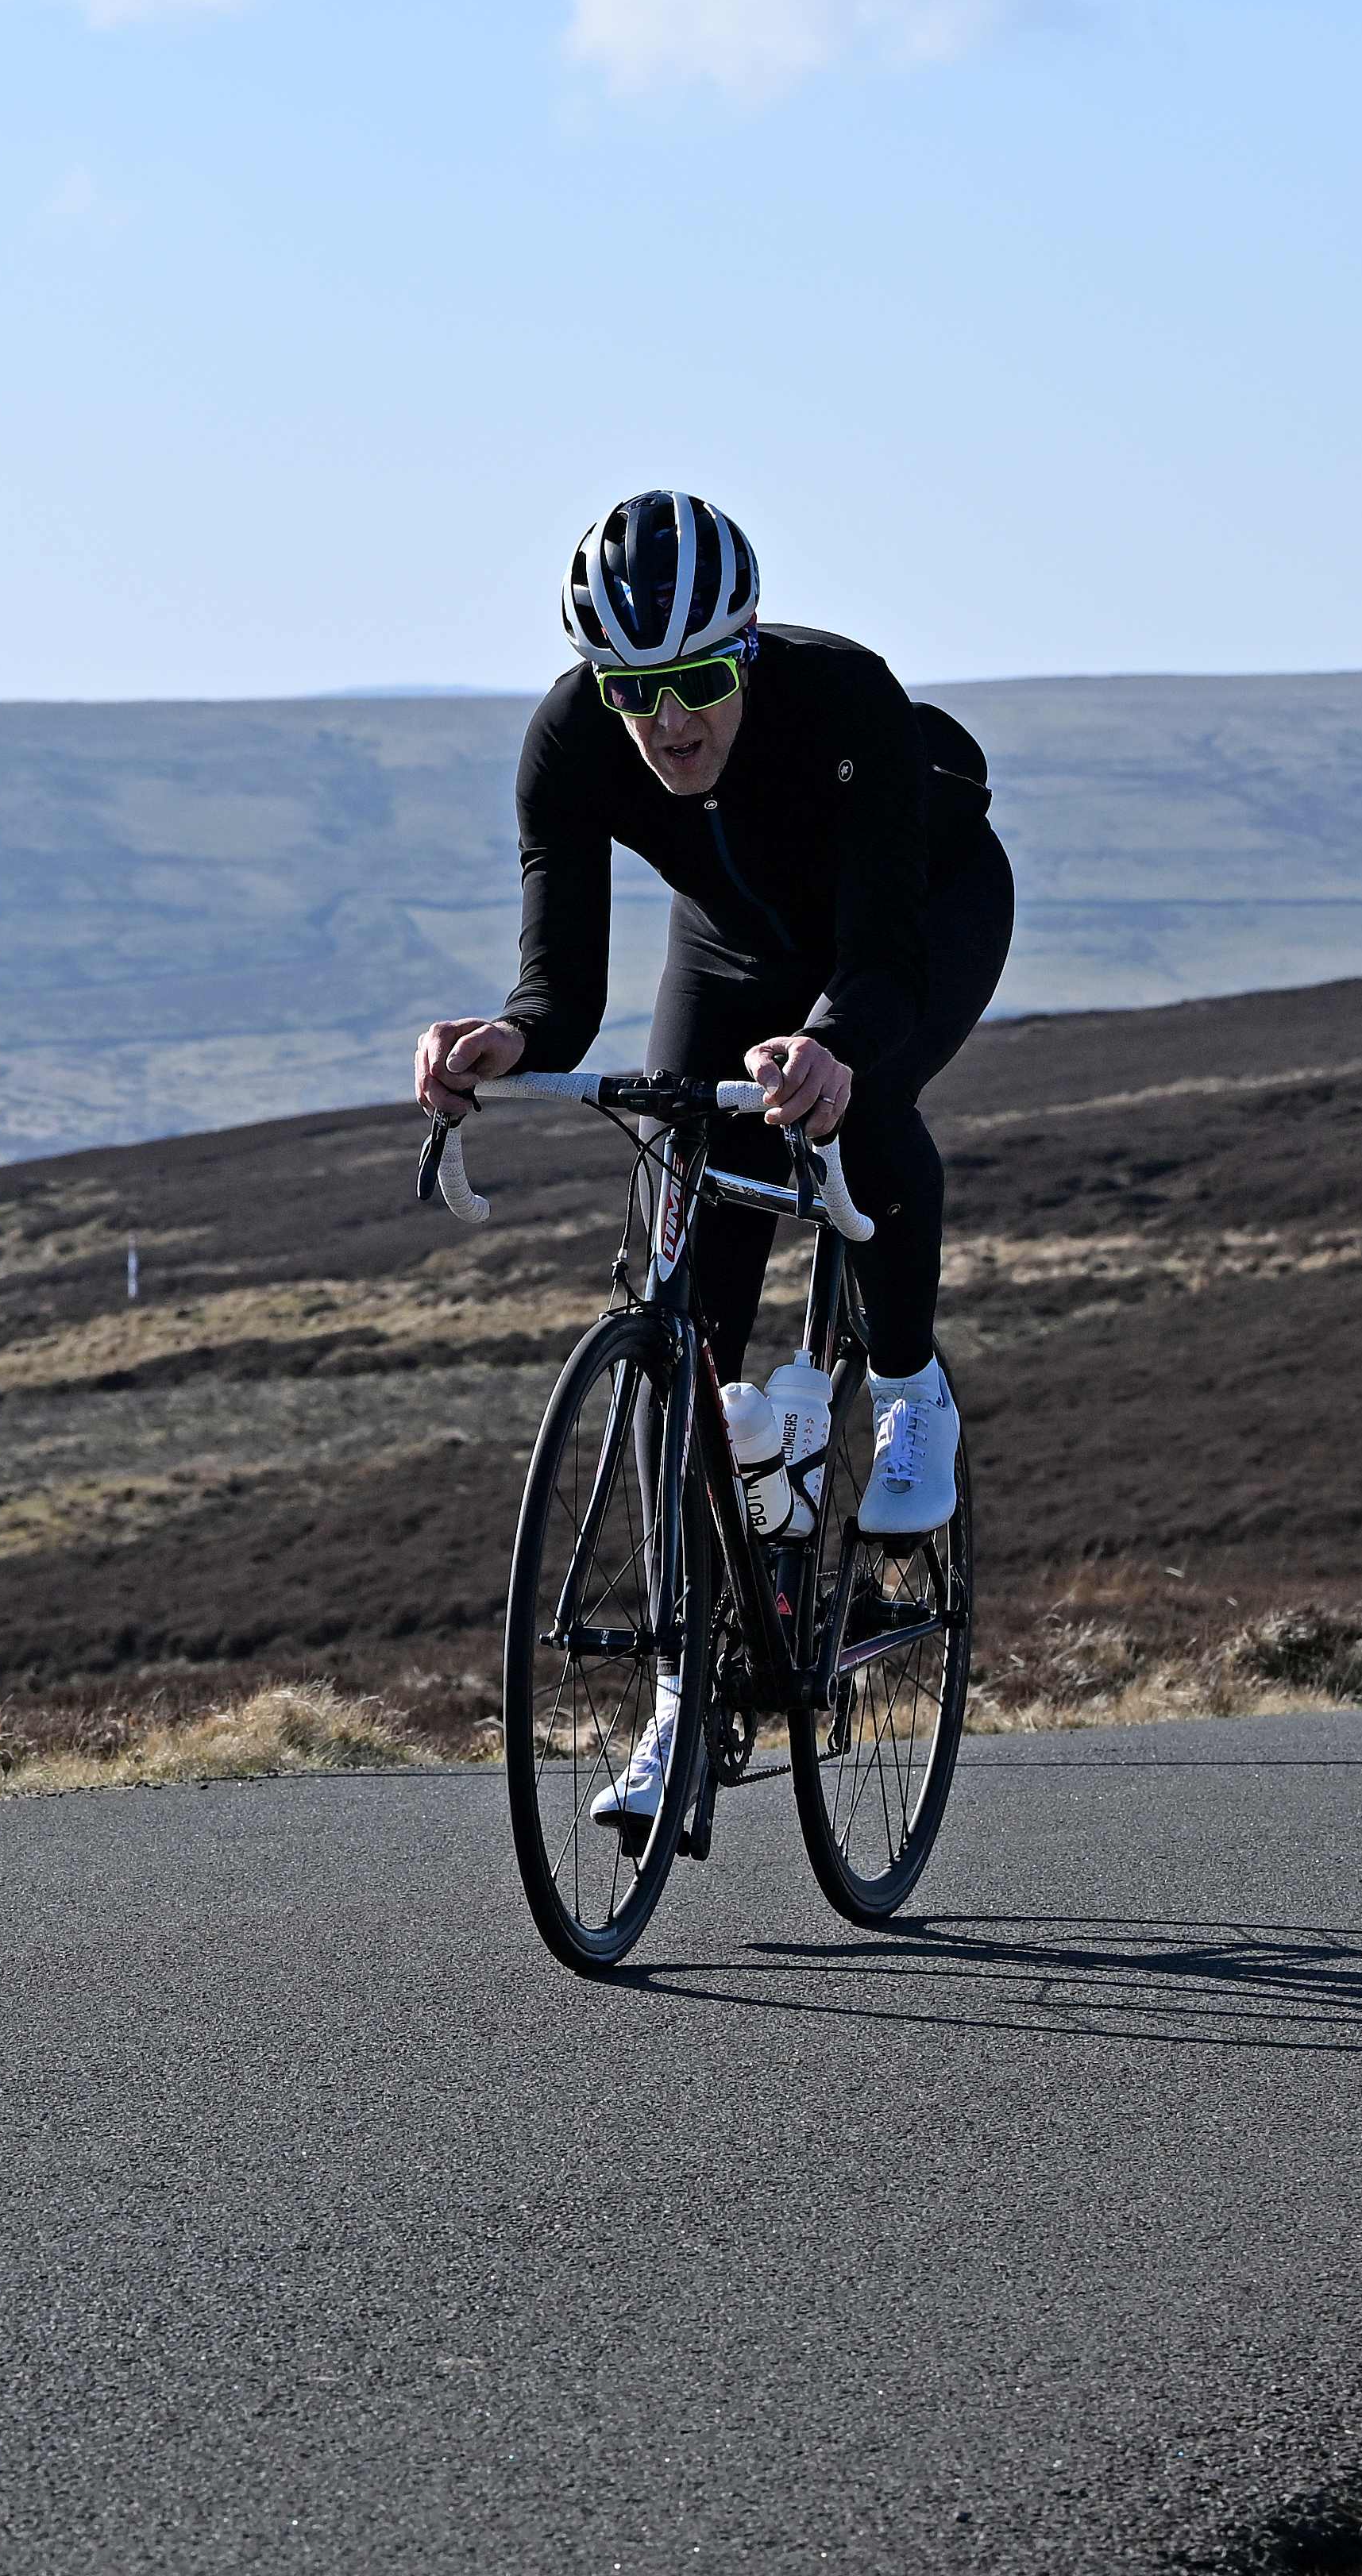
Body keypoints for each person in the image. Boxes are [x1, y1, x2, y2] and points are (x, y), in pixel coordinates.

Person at [412, 487, 1010, 1838]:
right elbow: (560, 985)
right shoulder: (572, 740)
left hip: (913, 915)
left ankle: (910, 1389)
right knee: (683, 1302)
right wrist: (503, 1039)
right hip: (734, 952)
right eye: (636, 689)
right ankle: (689, 1696)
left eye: (698, 679)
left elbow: (879, 959)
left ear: (744, 650)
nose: (669, 721)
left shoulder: (844, 697)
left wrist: (834, 1042)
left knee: (855, 1096)